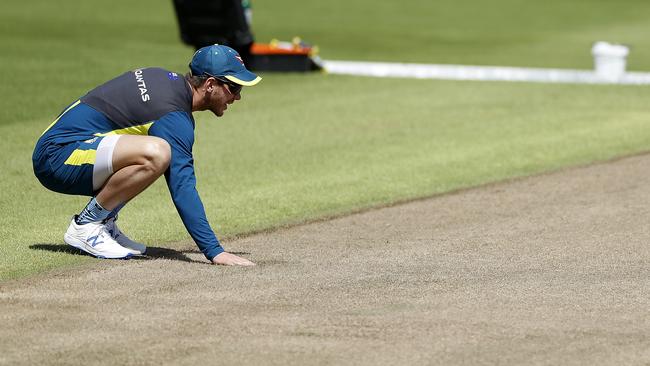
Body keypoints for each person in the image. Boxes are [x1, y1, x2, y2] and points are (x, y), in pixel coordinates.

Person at [32, 44, 259, 266]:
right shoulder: (173, 116)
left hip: (60, 149)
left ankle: (104, 220)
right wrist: (214, 251)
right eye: (234, 88)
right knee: (157, 153)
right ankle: (87, 225)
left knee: (154, 151)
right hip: (57, 158)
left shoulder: (164, 79)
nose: (237, 97)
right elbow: (182, 187)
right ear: (210, 84)